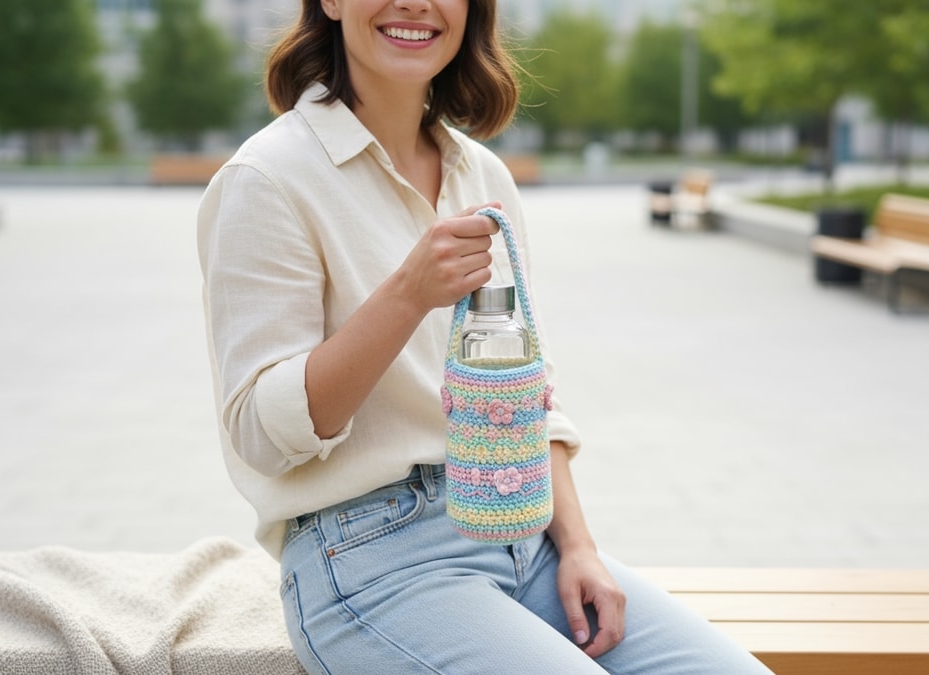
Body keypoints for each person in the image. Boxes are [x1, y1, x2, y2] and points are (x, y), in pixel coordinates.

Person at [197, 1, 773, 673]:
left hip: (523, 533)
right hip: (371, 557)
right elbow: (263, 437)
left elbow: (528, 392)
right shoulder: (267, 179)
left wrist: (579, 545)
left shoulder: (482, 175)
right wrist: (408, 293)